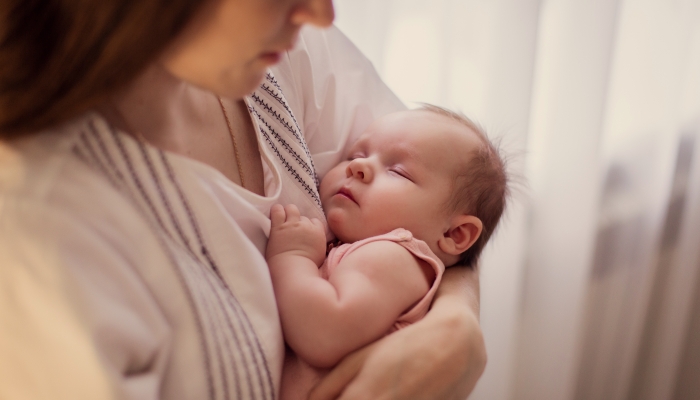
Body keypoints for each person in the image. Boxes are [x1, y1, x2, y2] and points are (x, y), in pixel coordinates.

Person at [0, 1, 486, 399]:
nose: (321, 14)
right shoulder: (38, 230)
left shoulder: (280, 50)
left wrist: (454, 325)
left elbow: (449, 199)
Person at [267, 106, 508, 400]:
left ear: (453, 234)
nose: (359, 167)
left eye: (397, 172)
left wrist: (293, 257)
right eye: (355, 156)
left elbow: (325, 333)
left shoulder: (395, 255)